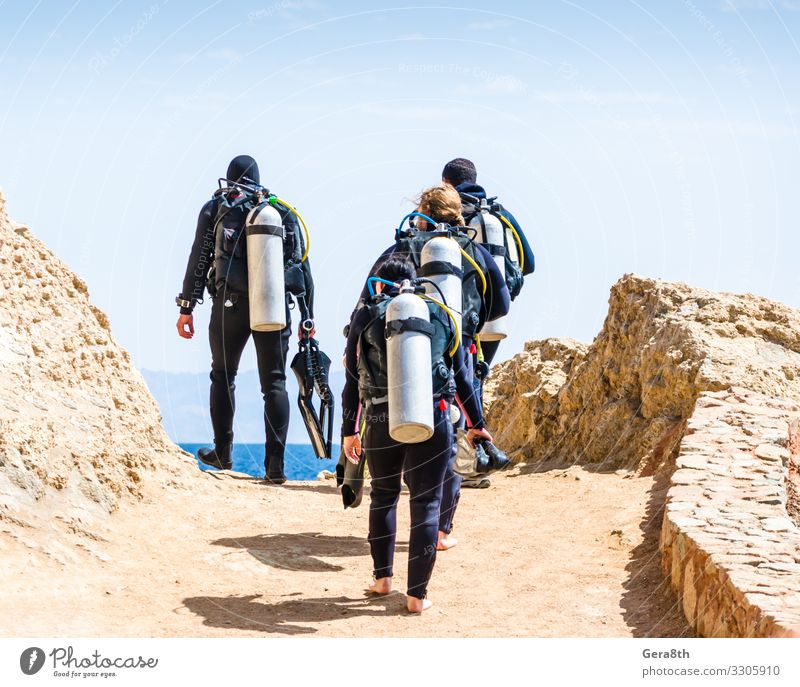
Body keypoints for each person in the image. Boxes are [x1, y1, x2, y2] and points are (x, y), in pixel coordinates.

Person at [346, 185, 510, 550]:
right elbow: (500, 305)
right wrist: (464, 325)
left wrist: (354, 345)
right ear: (457, 214)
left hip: (393, 354)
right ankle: (441, 530)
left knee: (392, 442)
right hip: (456, 351)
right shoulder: (475, 251)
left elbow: (367, 301)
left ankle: (386, 540)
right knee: (449, 439)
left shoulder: (400, 249)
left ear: (420, 212)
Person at [341, 256, 492, 613]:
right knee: (425, 502)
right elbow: (463, 378)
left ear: (379, 284)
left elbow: (351, 379)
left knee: (384, 496)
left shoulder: (366, 316)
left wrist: (349, 431)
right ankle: (416, 597)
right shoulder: (439, 314)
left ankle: (382, 580)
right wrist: (476, 424)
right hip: (435, 416)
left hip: (379, 417)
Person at [175, 155, 315, 484]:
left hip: (230, 303)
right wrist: (308, 316)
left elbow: (200, 255)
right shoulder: (281, 211)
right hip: (274, 307)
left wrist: (187, 306)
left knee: (223, 375)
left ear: (230, 178)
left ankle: (222, 454)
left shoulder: (218, 207)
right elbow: (302, 267)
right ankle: (275, 468)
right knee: (275, 384)